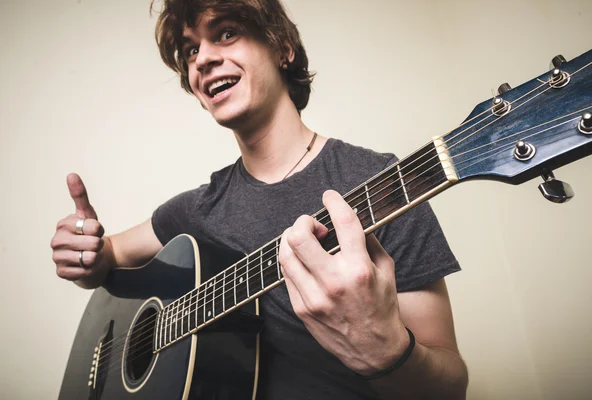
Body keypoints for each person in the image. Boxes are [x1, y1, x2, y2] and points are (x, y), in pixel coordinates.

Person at [51, 0, 468, 398]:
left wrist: (387, 353)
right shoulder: (196, 210)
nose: (202, 59)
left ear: (282, 48)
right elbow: (109, 255)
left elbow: (449, 387)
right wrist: (87, 254)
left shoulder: (381, 183)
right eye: (190, 49)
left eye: (227, 33)